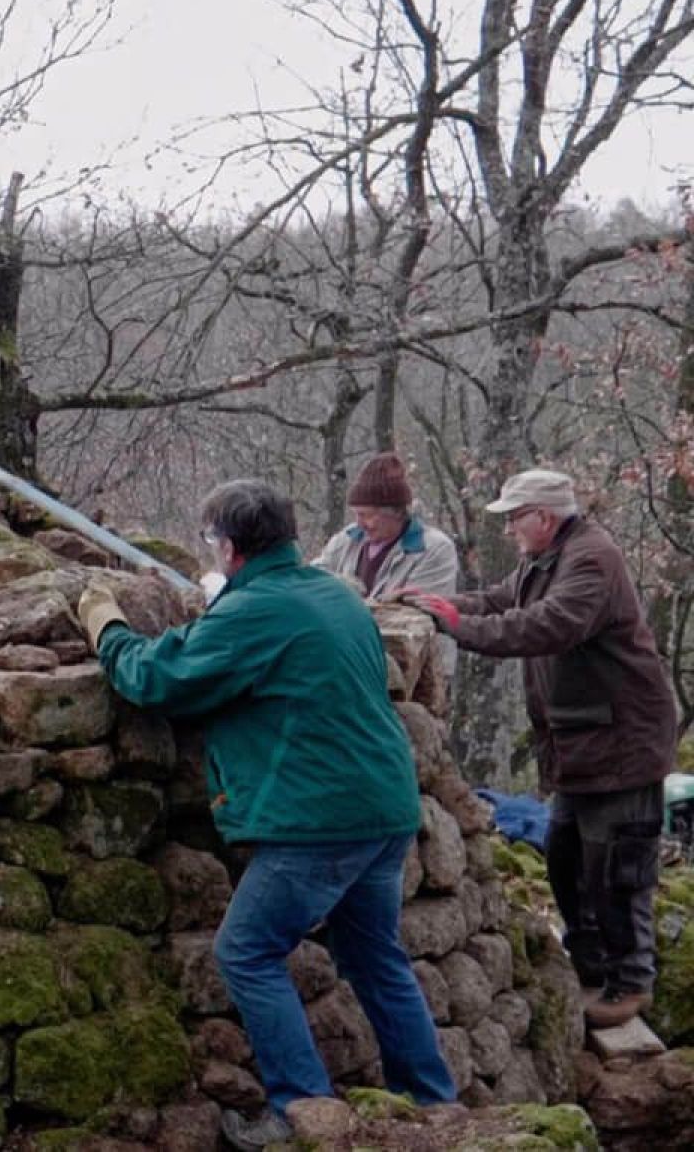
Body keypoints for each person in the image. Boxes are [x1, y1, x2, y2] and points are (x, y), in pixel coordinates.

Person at [78, 479, 454, 1150]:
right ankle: (431, 1101)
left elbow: (156, 681)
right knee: (374, 958)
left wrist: (106, 626)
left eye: (211, 540)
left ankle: (301, 1112)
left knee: (245, 951)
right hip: (385, 806)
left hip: (318, 819)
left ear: (228, 546)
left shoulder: (253, 613)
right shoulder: (333, 592)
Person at [400, 468, 678, 1030]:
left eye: (514, 518)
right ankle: (593, 967)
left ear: (544, 518)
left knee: (618, 868)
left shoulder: (591, 560)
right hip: (584, 744)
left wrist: (457, 626)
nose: (508, 531)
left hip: (621, 743)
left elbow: (545, 626)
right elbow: (506, 598)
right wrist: (444, 605)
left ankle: (629, 984)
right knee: (567, 858)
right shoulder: (551, 556)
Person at [314, 451, 461, 677]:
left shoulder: (433, 549)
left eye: (367, 515)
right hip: (353, 664)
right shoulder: (346, 540)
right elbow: (312, 584)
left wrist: (341, 598)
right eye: (357, 515)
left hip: (418, 673)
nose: (360, 523)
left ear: (396, 513)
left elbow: (414, 616)